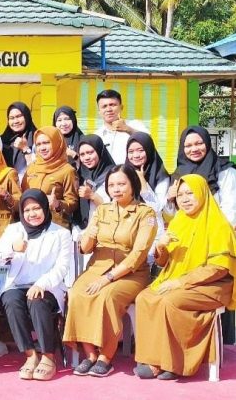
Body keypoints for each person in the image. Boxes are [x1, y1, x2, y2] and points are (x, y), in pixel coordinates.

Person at [134, 174, 236, 380]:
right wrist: (160, 247)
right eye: (180, 195)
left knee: (171, 301)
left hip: (213, 285)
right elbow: (164, 263)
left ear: (203, 193)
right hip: (179, 281)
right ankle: (152, 359)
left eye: (190, 193)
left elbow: (218, 268)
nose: (185, 199)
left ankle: (174, 364)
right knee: (144, 298)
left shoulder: (219, 224)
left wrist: (180, 282)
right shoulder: (179, 221)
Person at [63, 165, 157, 377]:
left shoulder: (146, 213)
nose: (116, 189)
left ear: (133, 185)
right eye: (112, 185)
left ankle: (106, 356)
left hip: (131, 273)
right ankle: (90, 355)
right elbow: (85, 248)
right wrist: (90, 233)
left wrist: (107, 278)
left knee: (107, 296)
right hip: (98, 266)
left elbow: (138, 254)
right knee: (77, 293)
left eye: (122, 184)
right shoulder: (102, 210)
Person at [0, 189, 72, 381]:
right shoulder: (14, 230)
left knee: (37, 300)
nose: (32, 214)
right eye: (27, 210)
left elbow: (62, 267)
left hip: (48, 286)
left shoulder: (61, 233)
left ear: (45, 208)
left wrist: (41, 284)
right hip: (16, 284)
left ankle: (48, 356)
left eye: (36, 208)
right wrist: (12, 248)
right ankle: (30, 355)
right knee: (11, 299)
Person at [168, 125, 236, 226]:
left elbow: (230, 209)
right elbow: (172, 213)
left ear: (207, 143)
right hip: (187, 230)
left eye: (199, 143)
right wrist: (170, 197)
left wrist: (216, 231)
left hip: (215, 229)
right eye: (188, 146)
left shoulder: (224, 171)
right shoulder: (179, 174)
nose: (194, 149)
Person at [21, 126, 79, 230]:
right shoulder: (32, 168)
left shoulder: (68, 170)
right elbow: (23, 196)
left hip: (56, 228)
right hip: (32, 227)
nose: (42, 148)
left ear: (56, 142)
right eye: (38, 144)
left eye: (47, 143)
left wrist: (58, 204)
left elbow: (73, 204)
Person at [124, 132, 168, 251]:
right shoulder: (123, 174)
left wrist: (142, 181)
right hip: (127, 233)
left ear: (149, 150)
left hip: (153, 235)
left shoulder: (161, 176)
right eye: (131, 152)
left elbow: (156, 208)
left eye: (140, 150)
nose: (136, 155)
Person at [93, 89, 149, 164]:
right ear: (99, 111)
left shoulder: (135, 125)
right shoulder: (97, 135)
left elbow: (149, 142)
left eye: (112, 105)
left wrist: (127, 129)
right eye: (104, 106)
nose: (109, 109)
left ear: (121, 107)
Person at [75, 135, 116, 230]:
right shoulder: (79, 175)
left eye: (90, 153)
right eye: (82, 154)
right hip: (81, 230)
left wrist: (92, 195)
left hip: (105, 229)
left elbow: (115, 210)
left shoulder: (113, 176)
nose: (86, 158)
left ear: (100, 151)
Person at [1, 102, 38, 181]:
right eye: (12, 118)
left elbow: (38, 168)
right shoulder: (3, 141)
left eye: (19, 116)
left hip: (30, 184)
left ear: (27, 117)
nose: (16, 121)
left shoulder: (37, 138)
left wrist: (25, 148)